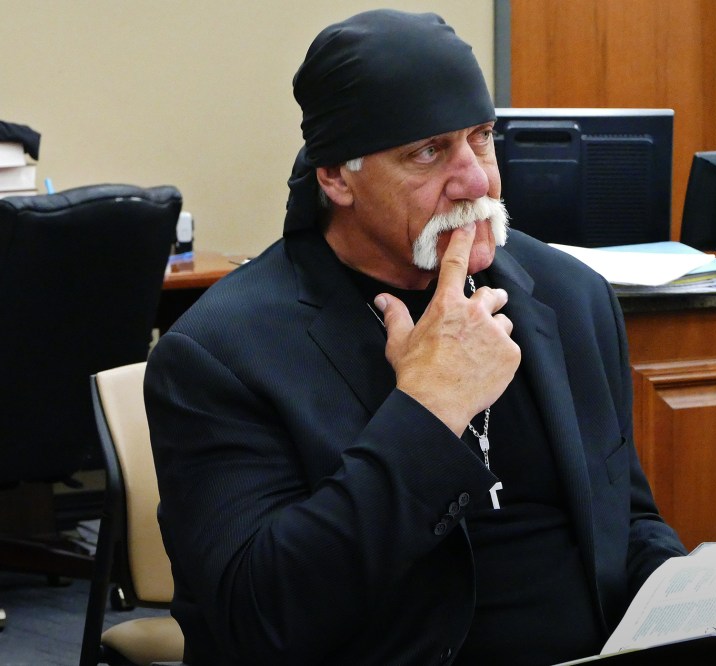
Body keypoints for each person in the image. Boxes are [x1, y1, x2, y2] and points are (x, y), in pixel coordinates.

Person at [144, 9, 686, 665]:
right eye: (427, 152)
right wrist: (429, 412)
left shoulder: (570, 295)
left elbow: (626, 523)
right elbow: (261, 618)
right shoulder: (224, 353)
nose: (476, 181)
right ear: (336, 177)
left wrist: (695, 607)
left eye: (481, 138)